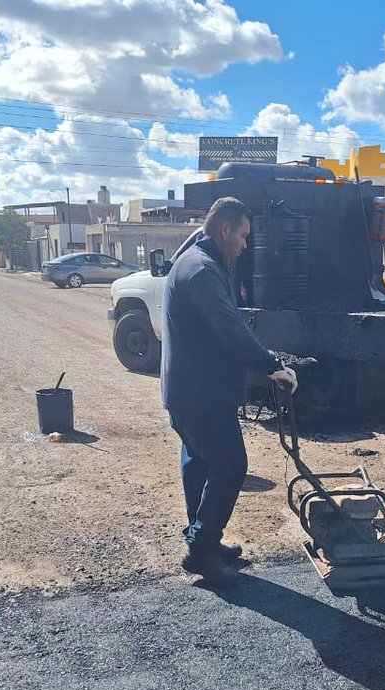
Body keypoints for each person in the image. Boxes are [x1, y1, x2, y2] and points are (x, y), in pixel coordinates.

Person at [161, 196, 298, 585]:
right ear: (224, 229)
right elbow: (229, 329)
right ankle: (201, 551)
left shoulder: (194, 259)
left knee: (199, 464)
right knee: (231, 465)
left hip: (186, 391)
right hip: (201, 395)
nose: (244, 244)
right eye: (242, 235)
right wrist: (273, 367)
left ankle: (202, 537)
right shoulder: (203, 270)